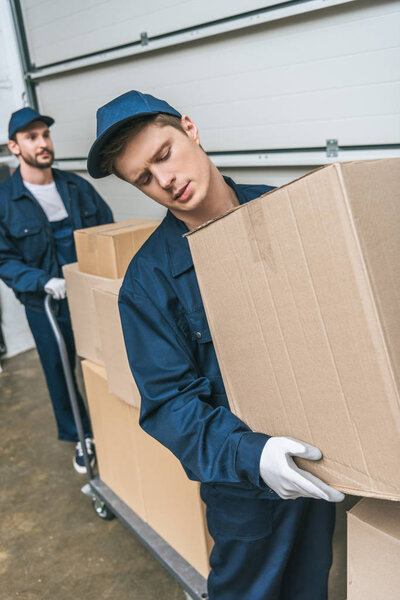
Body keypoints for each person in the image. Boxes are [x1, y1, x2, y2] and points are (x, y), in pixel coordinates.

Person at [87, 91, 344, 599]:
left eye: (163, 155)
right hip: (244, 485)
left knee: (311, 585)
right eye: (144, 178)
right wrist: (254, 455)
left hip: (321, 453)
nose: (165, 181)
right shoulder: (148, 283)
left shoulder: (284, 210)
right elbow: (169, 405)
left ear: (189, 128)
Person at [0, 107, 114, 473]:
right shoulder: (4, 201)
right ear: (14, 147)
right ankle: (82, 436)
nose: (42, 143)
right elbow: (3, 259)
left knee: (106, 361)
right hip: (47, 303)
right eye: (31, 137)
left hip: (87, 295)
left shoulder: (76, 187)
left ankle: (115, 424)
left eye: (45, 135)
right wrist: (40, 281)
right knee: (60, 371)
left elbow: (105, 231)